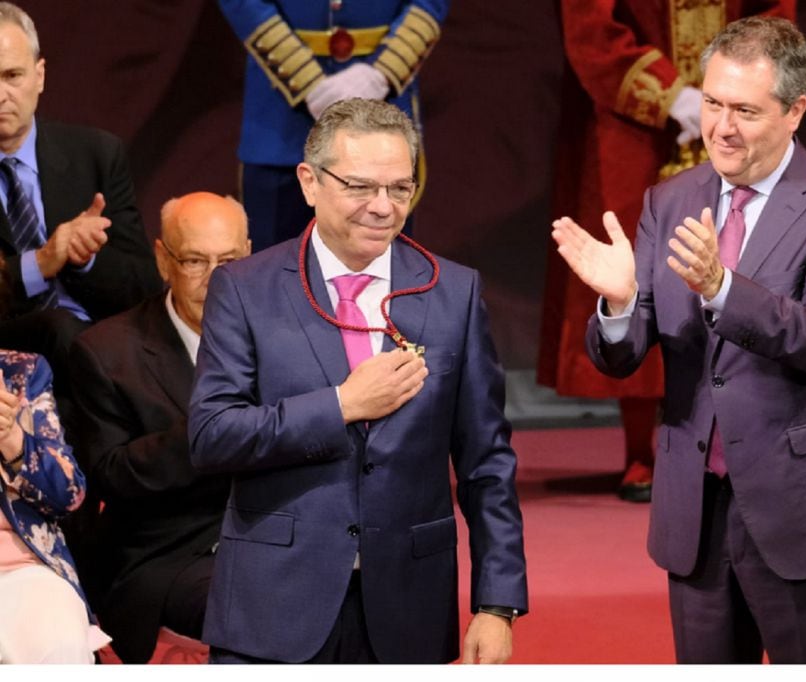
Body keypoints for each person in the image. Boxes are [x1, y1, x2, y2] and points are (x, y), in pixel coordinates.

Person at [552, 17, 806, 663]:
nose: (721, 127)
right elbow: (624, 357)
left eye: (744, 109)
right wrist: (620, 303)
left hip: (805, 513)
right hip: (698, 517)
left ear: (795, 111)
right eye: (712, 103)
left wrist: (720, 286)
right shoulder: (669, 200)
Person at [188, 98, 527, 664]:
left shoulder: (453, 293)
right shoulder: (246, 288)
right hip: (274, 603)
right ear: (309, 182)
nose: (383, 207)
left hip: (408, 606)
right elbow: (212, 434)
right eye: (361, 187)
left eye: (400, 188)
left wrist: (497, 604)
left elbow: (487, 463)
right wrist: (342, 405)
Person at [539, 0, 795, 502]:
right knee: (637, 275)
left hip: (740, 112)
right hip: (633, 129)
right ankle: (642, 449)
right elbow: (592, 25)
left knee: (749, 266)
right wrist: (673, 96)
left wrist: (741, 91)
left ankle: (743, 437)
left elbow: (774, 15)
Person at [66, 192, 250, 663]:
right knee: (264, 605)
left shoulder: (282, 334)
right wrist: (215, 430)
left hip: (273, 532)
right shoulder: (107, 352)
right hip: (168, 551)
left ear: (248, 255)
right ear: (163, 260)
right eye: (195, 261)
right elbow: (111, 473)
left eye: (229, 260)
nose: (217, 280)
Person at [0, 2, 161, 396]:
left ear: (39, 76)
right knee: (59, 327)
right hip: (15, 344)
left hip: (100, 342)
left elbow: (144, 287)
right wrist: (40, 263)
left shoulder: (97, 155)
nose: (0, 94)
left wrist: (86, 259)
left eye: (12, 76)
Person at [217, 0, 449, 252]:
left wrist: (381, 74)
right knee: (274, 271)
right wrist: (305, 79)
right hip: (282, 122)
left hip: (382, 111)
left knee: (381, 272)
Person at [0, 254, 109, 664]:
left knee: (56, 641)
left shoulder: (22, 374)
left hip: (23, 570)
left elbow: (69, 495)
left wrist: (13, 442)